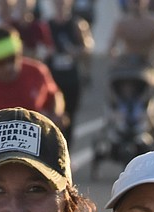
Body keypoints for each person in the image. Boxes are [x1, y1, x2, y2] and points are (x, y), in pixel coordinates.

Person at [45, 0, 94, 142]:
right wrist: (47, 52)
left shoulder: (77, 24)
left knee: (69, 116)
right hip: (52, 78)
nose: (60, 5)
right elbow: (39, 49)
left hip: (71, 77)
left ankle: (67, 151)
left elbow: (88, 47)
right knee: (52, 115)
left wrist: (75, 52)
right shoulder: (47, 25)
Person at [107, 0, 154, 72]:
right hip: (128, 62)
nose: (137, 4)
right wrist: (115, 59)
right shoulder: (122, 24)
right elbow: (112, 46)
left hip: (147, 63)